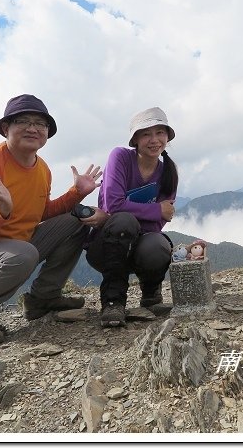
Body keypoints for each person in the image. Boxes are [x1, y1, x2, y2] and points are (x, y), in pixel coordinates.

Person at [0, 94, 105, 346]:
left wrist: (77, 194)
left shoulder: (42, 169)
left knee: (74, 222)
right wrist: (1, 211)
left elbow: (39, 214)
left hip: (18, 246)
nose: (33, 128)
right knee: (23, 253)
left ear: (47, 133)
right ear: (6, 128)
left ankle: (44, 298)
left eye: (40, 124)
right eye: (23, 121)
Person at [85, 107, 179, 327]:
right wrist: (156, 209)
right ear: (135, 139)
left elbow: (159, 224)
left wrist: (137, 213)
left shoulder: (168, 173)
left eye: (160, 133)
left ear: (167, 137)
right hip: (107, 246)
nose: (154, 140)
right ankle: (113, 302)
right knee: (123, 221)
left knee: (157, 243)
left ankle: (151, 293)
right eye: (146, 133)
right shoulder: (120, 157)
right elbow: (114, 204)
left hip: (142, 246)